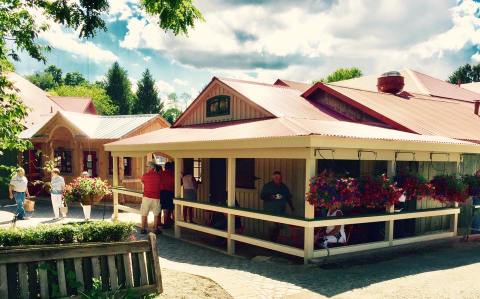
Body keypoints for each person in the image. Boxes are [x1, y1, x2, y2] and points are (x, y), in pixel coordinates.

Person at [260, 171, 294, 241]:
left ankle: (275, 242)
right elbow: (262, 196)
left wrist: (292, 207)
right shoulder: (267, 186)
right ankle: (271, 243)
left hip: (280, 211)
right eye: (275, 177)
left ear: (281, 177)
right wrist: (270, 197)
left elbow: (288, 197)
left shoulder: (284, 187)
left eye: (279, 177)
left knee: (278, 227)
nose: (277, 178)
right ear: (273, 177)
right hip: (270, 210)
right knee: (272, 227)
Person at [140, 162, 162, 234]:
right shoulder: (159, 176)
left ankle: (143, 228)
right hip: (156, 197)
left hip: (146, 197)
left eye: (147, 167)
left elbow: (142, 182)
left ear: (150, 167)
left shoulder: (145, 175)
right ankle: (155, 229)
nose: (146, 168)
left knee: (144, 213)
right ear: (154, 168)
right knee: (156, 214)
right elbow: (161, 185)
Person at [160, 162, 175, 228]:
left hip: (161, 192)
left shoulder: (160, 173)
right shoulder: (173, 174)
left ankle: (162, 222)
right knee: (168, 208)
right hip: (170, 192)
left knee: (163, 208)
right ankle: (166, 223)